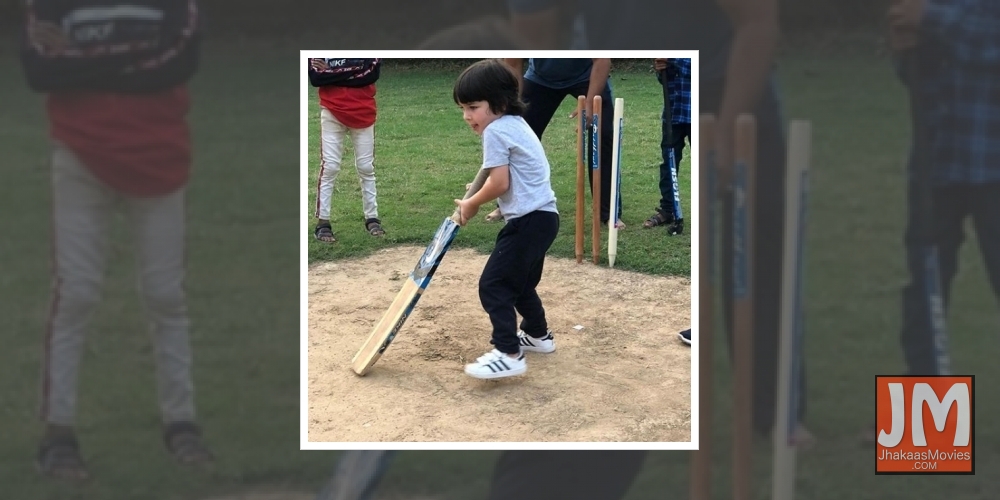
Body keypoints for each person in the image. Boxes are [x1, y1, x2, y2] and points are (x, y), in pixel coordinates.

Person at [506, 0, 812, 443]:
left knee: (758, 251)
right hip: (678, 72)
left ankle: (777, 410)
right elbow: (528, 34)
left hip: (733, 73)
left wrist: (728, 131)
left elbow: (758, 21)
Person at [20, 0, 214, 480]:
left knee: (165, 295)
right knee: (76, 294)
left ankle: (181, 423)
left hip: (160, 157)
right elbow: (40, 70)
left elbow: (182, 60)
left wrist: (81, 64)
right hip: (80, 155)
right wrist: (132, 59)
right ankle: (58, 434)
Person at [862, 0, 1000, 443]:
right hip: (938, 158)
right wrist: (906, 51)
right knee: (926, 288)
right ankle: (925, 437)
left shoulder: (934, 9)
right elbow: (922, 80)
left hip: (993, 162)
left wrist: (930, 20)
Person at [451, 59, 560, 380]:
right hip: (544, 218)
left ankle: (508, 352)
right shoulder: (516, 123)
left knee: (495, 284)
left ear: (498, 103)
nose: (467, 116)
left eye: (473, 107)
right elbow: (516, 177)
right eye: (463, 108)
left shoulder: (496, 131)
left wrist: (471, 203)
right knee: (522, 283)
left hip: (528, 222)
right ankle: (538, 337)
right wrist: (489, 198)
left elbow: (500, 183)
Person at [502, 58, 623, 228]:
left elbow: (602, 60)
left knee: (602, 134)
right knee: (518, 136)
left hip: (587, 76)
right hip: (540, 78)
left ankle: (609, 212)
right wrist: (514, 107)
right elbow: (512, 64)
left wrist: (589, 105)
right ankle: (507, 203)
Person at [308, 58, 385, 243]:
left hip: (363, 112)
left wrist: (331, 74)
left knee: (366, 167)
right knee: (330, 167)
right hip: (332, 110)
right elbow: (316, 78)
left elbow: (371, 73)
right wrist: (354, 70)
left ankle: (372, 218)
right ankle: (323, 222)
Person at [644, 58, 691, 236]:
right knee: (669, 162)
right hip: (674, 112)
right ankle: (668, 210)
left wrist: (673, 60)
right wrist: (661, 69)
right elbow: (665, 78)